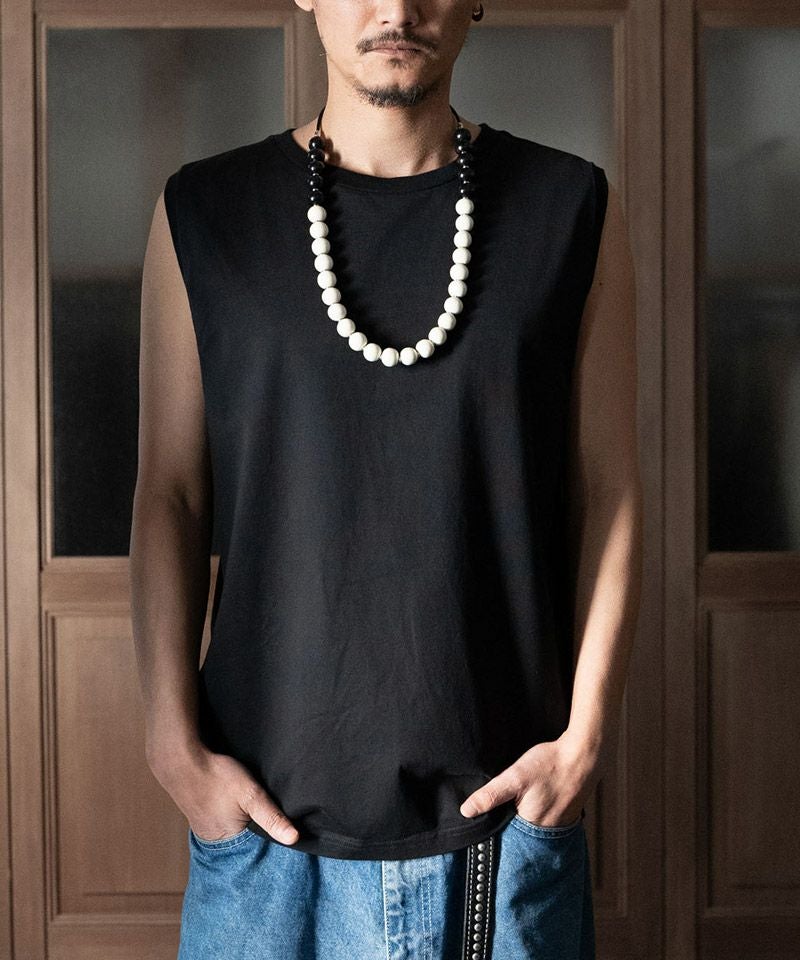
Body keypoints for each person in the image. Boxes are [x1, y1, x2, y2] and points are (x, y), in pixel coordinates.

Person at [129, 0, 642, 956]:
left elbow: (608, 489)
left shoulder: (571, 206)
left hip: (504, 827)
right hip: (263, 837)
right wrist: (170, 740)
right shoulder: (205, 211)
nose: (397, 10)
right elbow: (171, 493)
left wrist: (587, 739)